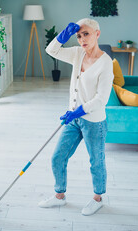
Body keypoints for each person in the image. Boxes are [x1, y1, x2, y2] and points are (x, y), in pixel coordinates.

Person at [39, 18, 114, 216]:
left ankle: (98, 198)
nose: (82, 39)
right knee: (58, 157)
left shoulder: (106, 63)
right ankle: (59, 196)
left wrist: (78, 111)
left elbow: (101, 100)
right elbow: (51, 50)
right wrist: (63, 35)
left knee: (96, 161)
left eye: (86, 34)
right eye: (79, 35)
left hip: (94, 122)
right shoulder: (77, 53)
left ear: (97, 34)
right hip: (73, 119)